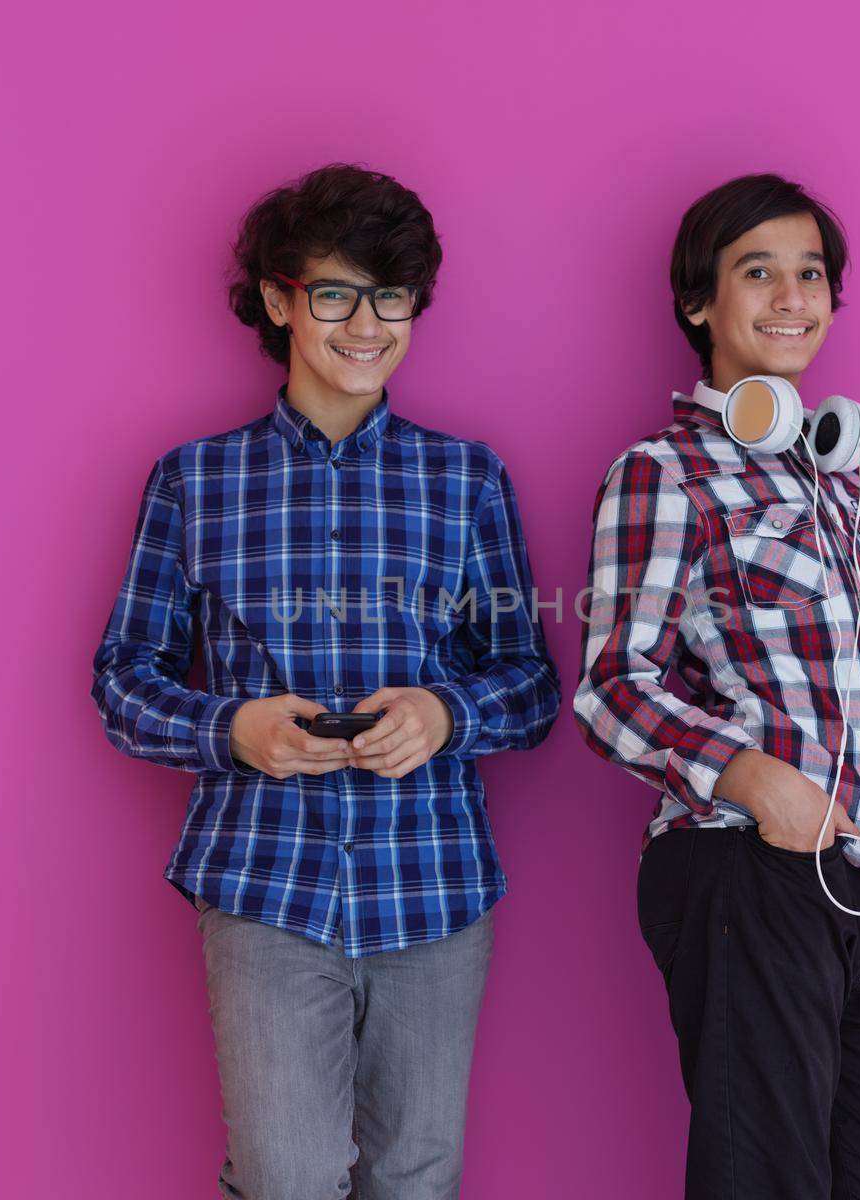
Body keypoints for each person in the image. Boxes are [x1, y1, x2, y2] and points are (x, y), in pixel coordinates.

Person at [90, 162, 560, 1200]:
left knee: (416, 1179)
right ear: (277, 299)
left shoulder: (466, 479)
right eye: (335, 293)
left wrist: (445, 711)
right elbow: (124, 679)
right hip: (262, 883)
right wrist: (232, 730)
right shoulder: (194, 481)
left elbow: (531, 681)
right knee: (285, 1179)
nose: (367, 323)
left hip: (434, 887)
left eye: (391, 297)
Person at [572, 172, 860, 1199]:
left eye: (811, 274)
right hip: (746, 865)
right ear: (699, 303)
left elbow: (856, 688)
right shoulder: (666, 471)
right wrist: (751, 780)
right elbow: (612, 683)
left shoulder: (845, 485)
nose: (793, 297)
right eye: (759, 272)